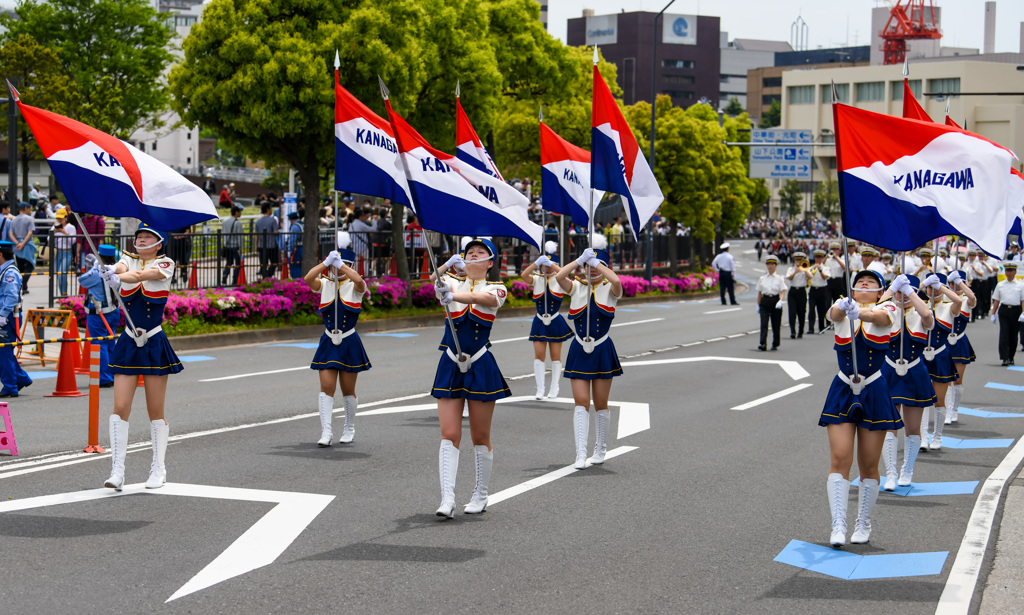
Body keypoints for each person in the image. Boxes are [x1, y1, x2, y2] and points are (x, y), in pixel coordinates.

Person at [429, 237, 510, 518]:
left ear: (490, 263)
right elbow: (433, 280)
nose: (473, 256)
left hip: (480, 363)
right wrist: (445, 268)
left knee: (480, 435)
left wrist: (453, 296)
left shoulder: (497, 288)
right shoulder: (451, 282)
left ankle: (480, 494)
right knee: (449, 434)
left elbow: (483, 299)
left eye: (480, 253)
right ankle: (447, 498)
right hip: (450, 362)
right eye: (469, 253)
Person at [98, 223, 183, 491]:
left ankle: (159, 469)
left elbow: (139, 276)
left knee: (155, 410)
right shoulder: (128, 259)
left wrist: (118, 277)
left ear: (159, 243)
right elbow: (125, 268)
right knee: (120, 407)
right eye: (139, 236)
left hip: (153, 341)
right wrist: (113, 270)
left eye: (148, 237)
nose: (142, 240)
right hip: (128, 340)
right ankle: (117, 470)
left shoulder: (166, 262)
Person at [820, 269, 901, 548]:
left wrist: (862, 312)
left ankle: (863, 522)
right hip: (843, 387)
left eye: (871, 283)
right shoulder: (843, 305)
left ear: (880, 291)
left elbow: (880, 317)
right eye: (859, 282)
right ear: (852, 290)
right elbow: (833, 315)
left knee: (868, 464)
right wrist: (844, 307)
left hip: (874, 389)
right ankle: (838, 524)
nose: (864, 284)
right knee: (840, 457)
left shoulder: (889, 307)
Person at [554, 234, 623, 470]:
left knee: (601, 403)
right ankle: (580, 453)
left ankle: (600, 448)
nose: (591, 271)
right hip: (579, 348)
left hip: (602, 348)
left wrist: (599, 265)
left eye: (596, 267)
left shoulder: (610, 289)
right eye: (588, 267)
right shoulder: (576, 288)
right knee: (581, 402)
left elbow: (616, 281)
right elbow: (559, 276)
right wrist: (579, 261)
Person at [303, 233, 370, 447]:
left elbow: (359, 281)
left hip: (349, 341)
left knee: (348, 390)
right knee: (326, 386)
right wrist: (324, 262)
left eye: (342, 265)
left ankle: (349, 428)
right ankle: (326, 432)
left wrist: (343, 266)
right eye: (334, 265)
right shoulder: (325, 284)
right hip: (329, 340)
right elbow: (307, 279)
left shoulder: (356, 287)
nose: (337, 269)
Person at [878, 274, 935, 490]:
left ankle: (907, 469)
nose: (902, 294)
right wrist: (892, 290)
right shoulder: (888, 310)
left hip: (914, 371)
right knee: (889, 425)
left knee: (912, 428)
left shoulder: (920, 311)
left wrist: (911, 292)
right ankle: (890, 472)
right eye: (899, 290)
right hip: (889, 370)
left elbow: (928, 317)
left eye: (906, 290)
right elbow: (875, 310)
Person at [521, 241, 572, 399]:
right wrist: (536, 262)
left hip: (555, 321)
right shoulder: (537, 279)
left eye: (549, 265)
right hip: (539, 321)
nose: (547, 267)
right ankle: (540, 389)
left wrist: (553, 265)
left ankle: (554, 387)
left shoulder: (560, 280)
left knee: (555, 357)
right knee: (539, 356)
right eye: (544, 265)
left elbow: (565, 274)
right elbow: (523, 276)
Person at [919, 273, 963, 450]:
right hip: (920, 357)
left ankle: (937, 436)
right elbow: (908, 294)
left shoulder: (947, 307)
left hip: (940, 355)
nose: (932, 290)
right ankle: (923, 437)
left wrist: (941, 287)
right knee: (922, 399)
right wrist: (922, 284)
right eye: (930, 287)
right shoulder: (919, 305)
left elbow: (959, 302)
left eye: (935, 287)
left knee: (938, 400)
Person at [77, 245, 119, 388]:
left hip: (99, 313)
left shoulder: (96, 273)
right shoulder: (116, 269)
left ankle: (104, 377)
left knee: (99, 344)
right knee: (110, 342)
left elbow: (82, 280)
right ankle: (112, 373)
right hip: (114, 311)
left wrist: (93, 268)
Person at [0, 241, 32, 397]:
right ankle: (21, 378)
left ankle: (10, 386)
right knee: (5, 351)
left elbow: (11, 297)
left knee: (3, 351)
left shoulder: (10, 272)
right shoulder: (5, 270)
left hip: (8, 317)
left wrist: (2, 315)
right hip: (6, 316)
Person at [946, 270, 977, 424]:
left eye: (957, 283)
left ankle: (954, 409)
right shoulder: (943, 299)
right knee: (945, 379)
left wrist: (960, 283)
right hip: (944, 343)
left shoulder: (966, 300)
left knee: (957, 379)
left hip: (959, 340)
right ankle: (946, 409)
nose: (955, 286)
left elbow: (972, 298)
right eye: (952, 283)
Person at [991, 261, 1024, 366]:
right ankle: (1004, 357)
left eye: (1011, 271)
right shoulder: (1000, 285)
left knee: (1013, 335)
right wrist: (993, 313)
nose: (1009, 273)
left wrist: (1023, 313)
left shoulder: (1021, 285)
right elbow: (996, 300)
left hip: (1016, 311)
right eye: (1007, 271)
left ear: (1015, 272)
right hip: (1004, 310)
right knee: (1004, 334)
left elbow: (1023, 300)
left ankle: (1011, 356)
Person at [756, 255, 787, 351]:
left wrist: (780, 300)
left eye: (773, 264)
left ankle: (775, 343)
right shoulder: (762, 278)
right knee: (764, 323)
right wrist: (758, 304)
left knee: (776, 323)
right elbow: (760, 292)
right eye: (769, 264)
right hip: (765, 301)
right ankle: (763, 343)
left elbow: (782, 291)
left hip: (775, 300)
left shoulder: (779, 278)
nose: (770, 266)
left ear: (776, 265)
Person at [10, 202, 36, 294]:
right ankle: (22, 285)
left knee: (20, 267)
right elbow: (30, 233)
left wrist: (17, 243)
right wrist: (23, 243)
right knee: (30, 266)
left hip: (16, 246)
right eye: (29, 208)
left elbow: (11, 234)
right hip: (27, 244)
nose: (30, 210)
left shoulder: (14, 219)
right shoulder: (29, 219)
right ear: (25, 208)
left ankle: (22, 286)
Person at [51, 209, 77, 295]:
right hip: (56, 253)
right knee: (58, 274)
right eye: (58, 218)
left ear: (66, 218)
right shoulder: (54, 227)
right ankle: (61, 294)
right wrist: (54, 233)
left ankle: (64, 293)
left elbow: (72, 241)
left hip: (67, 252)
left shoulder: (71, 227)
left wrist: (65, 233)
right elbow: (48, 241)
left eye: (61, 218)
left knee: (62, 273)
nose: (59, 220)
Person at [807, 248, 832, 334]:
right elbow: (809, 277)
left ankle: (821, 327)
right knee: (811, 309)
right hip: (813, 289)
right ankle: (811, 328)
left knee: (821, 309)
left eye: (820, 257)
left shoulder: (826, 268)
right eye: (817, 257)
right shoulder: (811, 268)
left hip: (822, 290)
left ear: (822, 258)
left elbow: (825, 277)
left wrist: (820, 269)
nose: (818, 259)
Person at [784, 252, 808, 339]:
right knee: (792, 312)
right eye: (797, 260)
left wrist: (804, 270)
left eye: (800, 260)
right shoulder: (791, 269)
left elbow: (810, 277)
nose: (798, 261)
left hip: (802, 291)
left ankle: (800, 331)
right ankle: (792, 332)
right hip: (793, 291)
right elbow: (789, 278)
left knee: (802, 312)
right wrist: (796, 271)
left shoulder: (806, 268)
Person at [254, 203, 279, 279]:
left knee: (263, 263)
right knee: (274, 262)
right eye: (271, 208)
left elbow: (256, 235)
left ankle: (264, 277)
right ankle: (269, 274)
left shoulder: (258, 221)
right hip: (271, 245)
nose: (271, 210)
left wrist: (256, 245)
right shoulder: (273, 220)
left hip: (261, 245)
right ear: (268, 209)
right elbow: (275, 232)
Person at [221, 204, 244, 285]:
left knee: (229, 262)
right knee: (237, 264)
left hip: (227, 246)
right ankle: (235, 280)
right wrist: (240, 247)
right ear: (236, 212)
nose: (241, 213)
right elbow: (239, 236)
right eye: (240, 212)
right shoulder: (238, 223)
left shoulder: (224, 222)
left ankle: (225, 274)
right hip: (235, 246)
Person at [287, 211, 304, 279]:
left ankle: (297, 282)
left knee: (295, 266)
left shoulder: (295, 227)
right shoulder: (303, 224)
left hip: (297, 249)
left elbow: (292, 241)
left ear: (291, 219)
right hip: (305, 248)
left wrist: (289, 251)